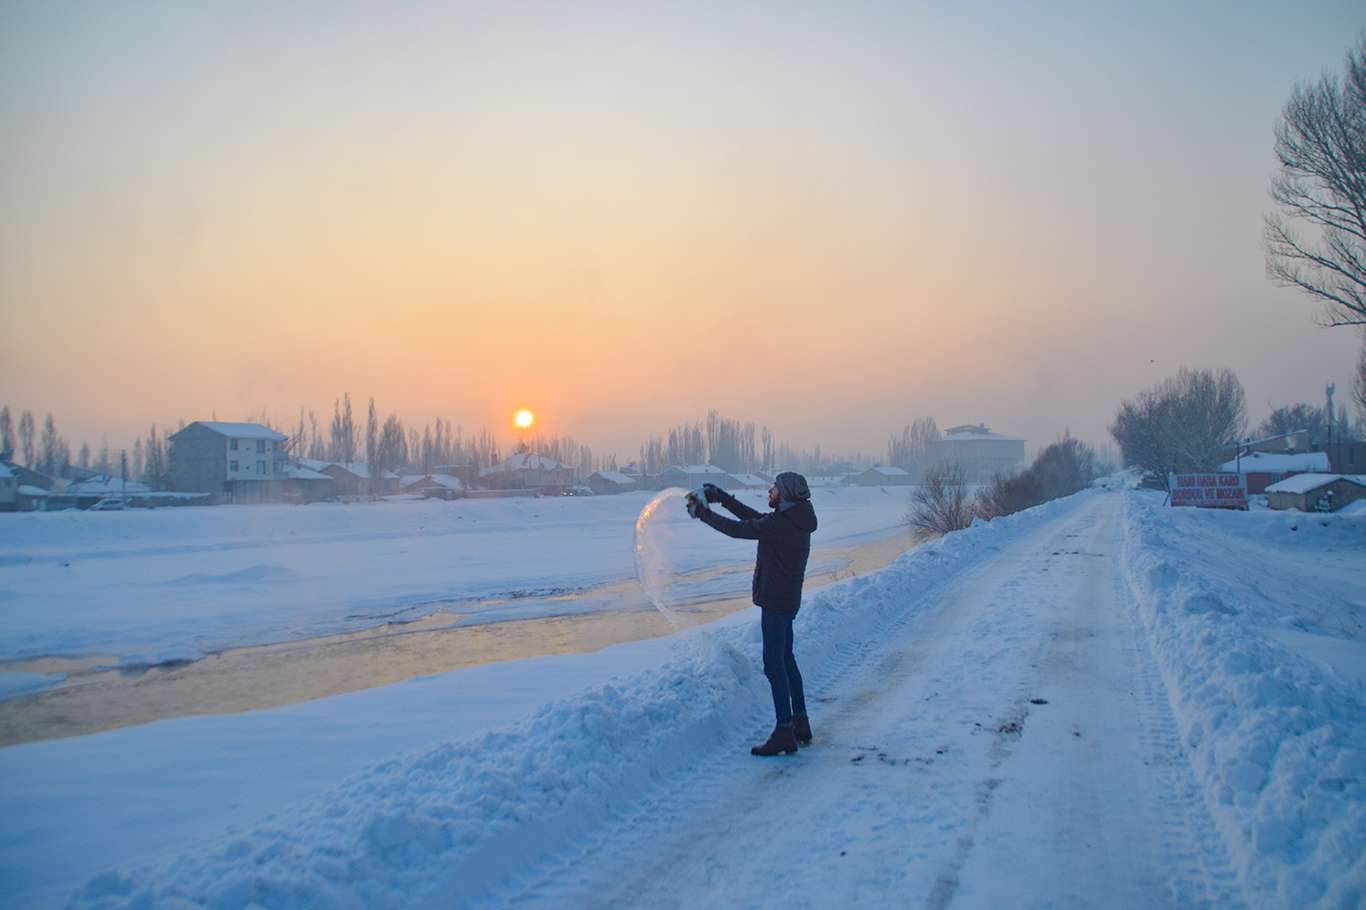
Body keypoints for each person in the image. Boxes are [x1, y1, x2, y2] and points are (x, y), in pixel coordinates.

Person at [686, 472, 817, 756]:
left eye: (775, 488)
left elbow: (739, 529)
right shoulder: (795, 519)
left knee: (774, 666)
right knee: (786, 660)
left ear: (786, 494)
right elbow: (755, 519)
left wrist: (703, 513)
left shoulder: (781, 524)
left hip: (776, 603)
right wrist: (722, 498)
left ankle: (784, 731)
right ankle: (800, 722)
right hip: (788, 600)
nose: (770, 491)